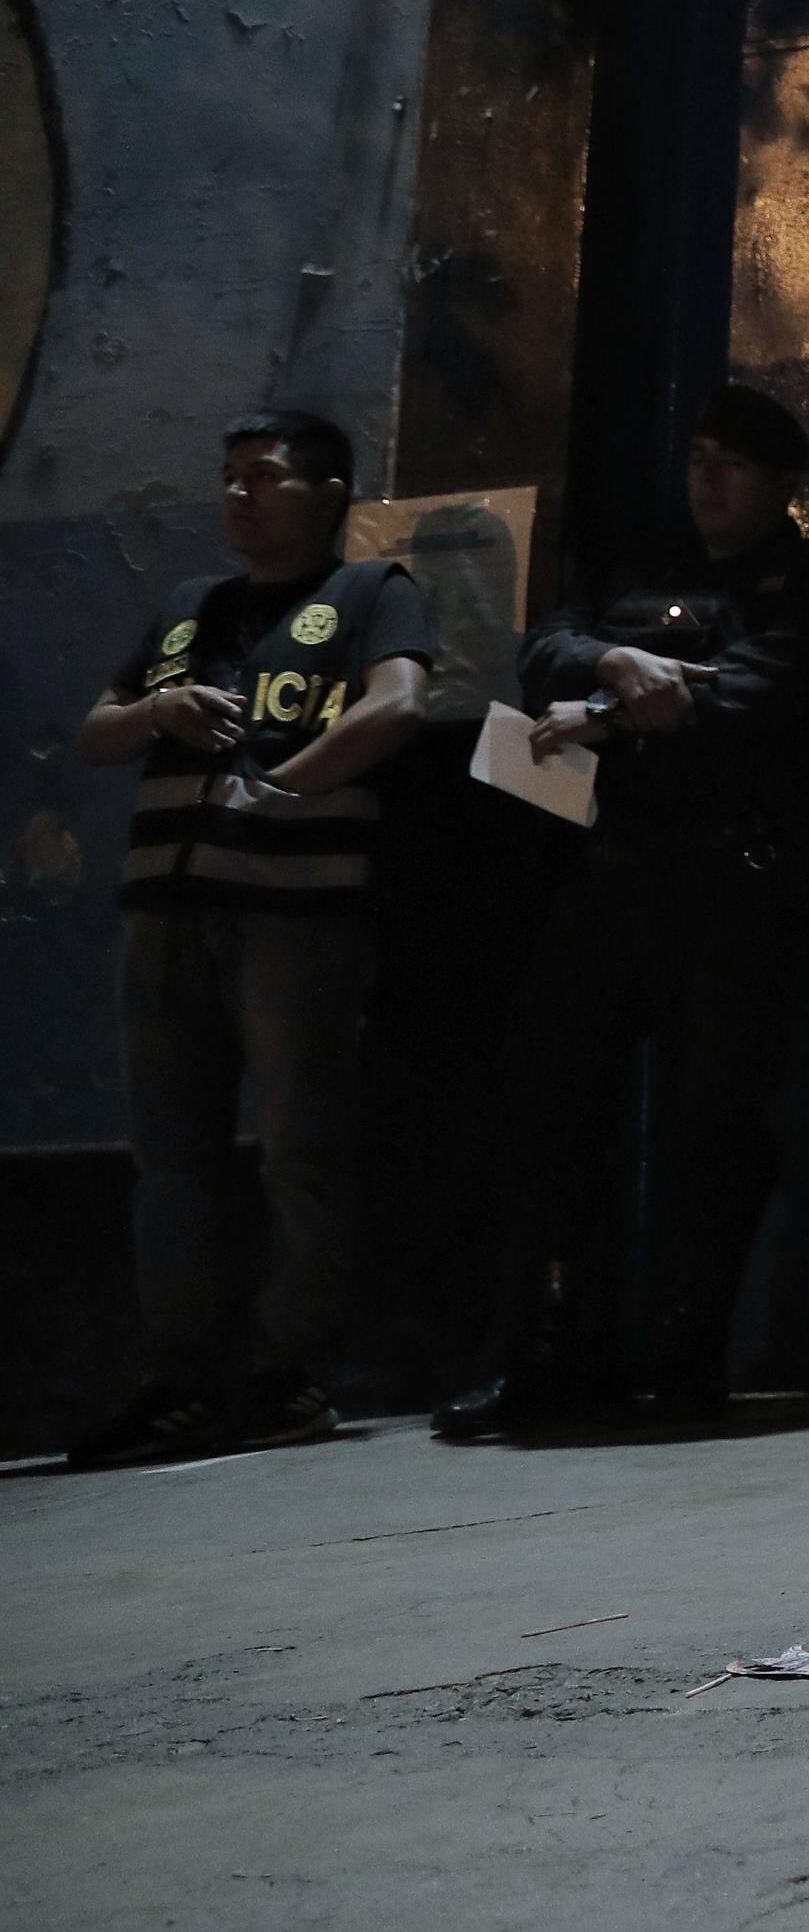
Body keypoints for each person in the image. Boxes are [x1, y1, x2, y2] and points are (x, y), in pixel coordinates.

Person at [434, 385, 809, 1439]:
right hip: (607, 871)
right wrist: (612, 661)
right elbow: (543, 644)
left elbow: (746, 699)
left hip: (730, 882)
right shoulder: (641, 567)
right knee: (550, 1110)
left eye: (731, 463)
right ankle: (553, 1350)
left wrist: (591, 708)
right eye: (699, 458)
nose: (706, 479)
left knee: (711, 1125)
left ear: (781, 484)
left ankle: (685, 1357)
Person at [66, 410, 438, 1467]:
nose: (238, 495)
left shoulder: (371, 591)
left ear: (326, 494)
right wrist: (160, 708)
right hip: (166, 909)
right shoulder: (191, 608)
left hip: (293, 912)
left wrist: (281, 783)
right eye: (228, 477)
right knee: (170, 1157)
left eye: (264, 477)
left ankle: (291, 1369)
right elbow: (95, 730)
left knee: (297, 1144)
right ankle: (181, 1376)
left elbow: (402, 702)